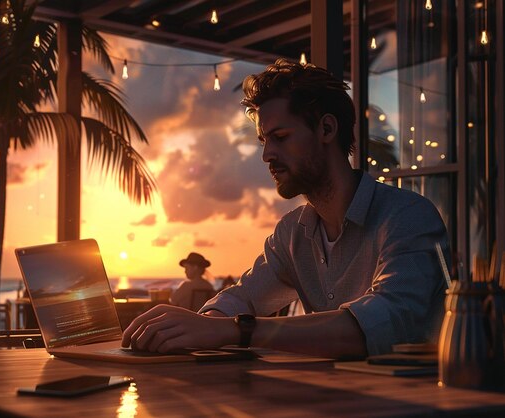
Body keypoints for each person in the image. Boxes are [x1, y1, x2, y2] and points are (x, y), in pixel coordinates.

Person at [122, 59, 450, 359]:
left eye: (280, 137)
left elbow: (384, 323)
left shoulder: (407, 217)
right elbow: (242, 297)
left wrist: (238, 330)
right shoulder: (293, 233)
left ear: (327, 129)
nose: (267, 155)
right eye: (264, 141)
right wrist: (200, 325)